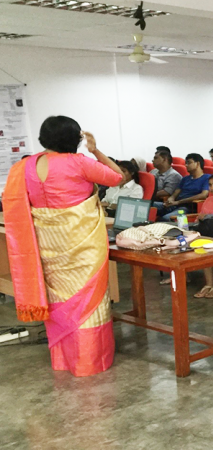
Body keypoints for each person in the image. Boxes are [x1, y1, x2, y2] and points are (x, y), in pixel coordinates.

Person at [4, 116, 124, 376]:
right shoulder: (79, 162)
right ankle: (90, 361)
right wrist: (95, 151)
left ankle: (63, 359)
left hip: (47, 246)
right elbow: (118, 177)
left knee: (58, 299)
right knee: (89, 301)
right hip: (83, 247)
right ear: (75, 139)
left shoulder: (25, 167)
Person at [154, 153, 210, 220]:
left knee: (166, 218)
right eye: (186, 163)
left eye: (189, 163)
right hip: (175, 204)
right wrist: (170, 199)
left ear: (197, 164)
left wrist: (178, 202)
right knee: (147, 206)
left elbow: (203, 195)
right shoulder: (185, 178)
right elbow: (175, 193)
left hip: (188, 207)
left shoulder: (207, 178)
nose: (186, 165)